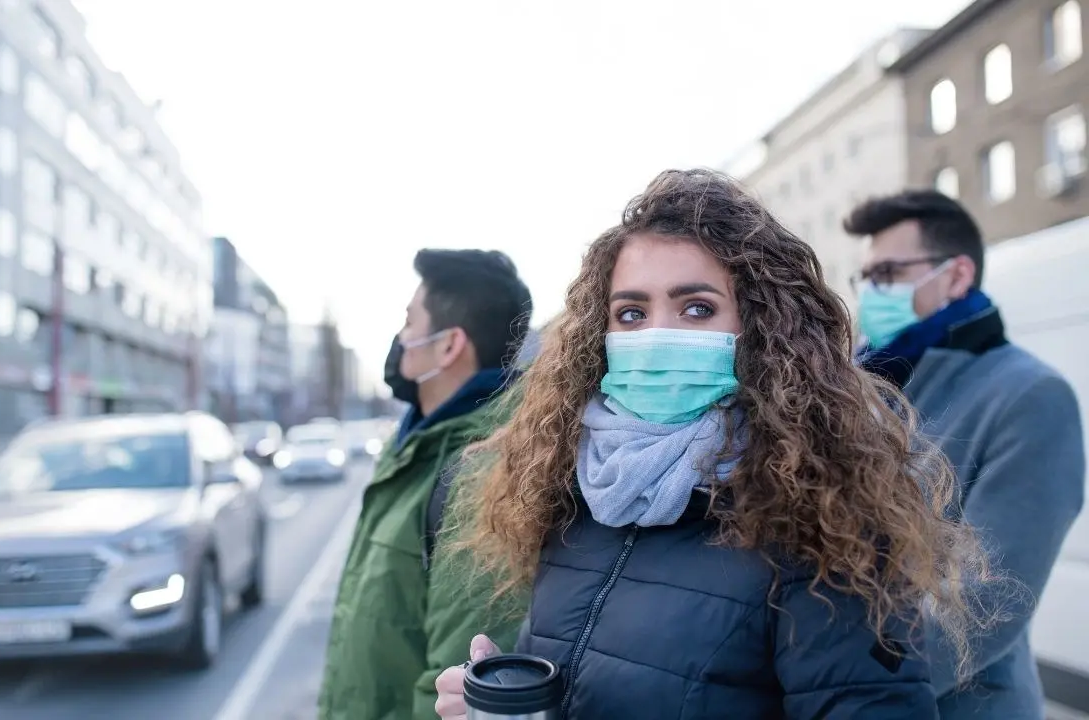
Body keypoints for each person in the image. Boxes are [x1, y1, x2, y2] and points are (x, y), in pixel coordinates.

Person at [433, 169, 994, 720]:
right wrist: (508, 699)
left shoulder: (826, 521)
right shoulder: (573, 492)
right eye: (631, 313)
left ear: (758, 329)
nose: (655, 335)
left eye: (696, 308)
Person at [843, 190, 1085, 719]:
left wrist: (851, 692)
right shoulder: (873, 385)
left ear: (955, 276)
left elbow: (987, 604)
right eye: (866, 277)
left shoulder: (1030, 395)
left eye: (888, 272)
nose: (871, 293)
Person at [317, 248, 533, 720]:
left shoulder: (484, 472)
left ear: (449, 345)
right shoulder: (417, 444)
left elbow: (453, 681)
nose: (400, 339)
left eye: (409, 323)